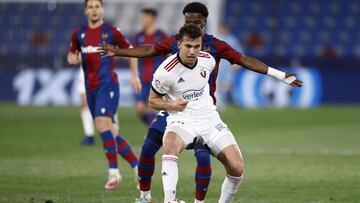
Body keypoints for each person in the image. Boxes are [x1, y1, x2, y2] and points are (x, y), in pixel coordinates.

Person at [100, 2, 302, 202]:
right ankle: (145, 197)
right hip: (176, 111)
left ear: (205, 21)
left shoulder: (213, 49)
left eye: (197, 21)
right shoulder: (175, 42)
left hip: (204, 111)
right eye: (189, 21)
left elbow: (245, 60)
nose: (193, 25)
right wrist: (118, 52)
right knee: (149, 148)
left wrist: (280, 75)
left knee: (206, 159)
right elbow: (149, 50)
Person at [150, 25, 302, 203]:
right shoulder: (165, 72)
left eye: (196, 46)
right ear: (179, 44)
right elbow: (153, 101)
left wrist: (280, 75)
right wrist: (172, 105)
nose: (192, 51)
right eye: (188, 46)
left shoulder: (208, 60)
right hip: (182, 119)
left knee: (237, 168)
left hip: (209, 119)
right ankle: (170, 200)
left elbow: (242, 61)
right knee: (169, 146)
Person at [67, 0, 141, 190]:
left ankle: (113, 173)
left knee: (101, 123)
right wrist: (73, 58)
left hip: (107, 85)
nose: (94, 10)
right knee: (110, 132)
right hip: (90, 87)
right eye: (90, 7)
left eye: (97, 7)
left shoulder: (111, 31)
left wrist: (134, 75)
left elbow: (131, 51)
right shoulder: (78, 33)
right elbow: (71, 54)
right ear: (85, 11)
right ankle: (138, 167)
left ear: (102, 10)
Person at [133, 8, 167, 126]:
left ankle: (154, 133)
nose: (141, 20)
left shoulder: (161, 35)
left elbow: (169, 54)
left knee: (154, 106)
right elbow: (133, 54)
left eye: (144, 17)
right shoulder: (139, 36)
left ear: (151, 18)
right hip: (143, 77)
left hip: (157, 78)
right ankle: (152, 129)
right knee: (140, 108)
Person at [215, 23, 243, 109]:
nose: (222, 30)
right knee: (218, 85)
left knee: (228, 86)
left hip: (228, 67)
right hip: (218, 66)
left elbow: (239, 52)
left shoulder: (232, 40)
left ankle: (236, 101)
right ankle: (220, 104)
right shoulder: (216, 39)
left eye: (223, 28)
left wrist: (237, 64)